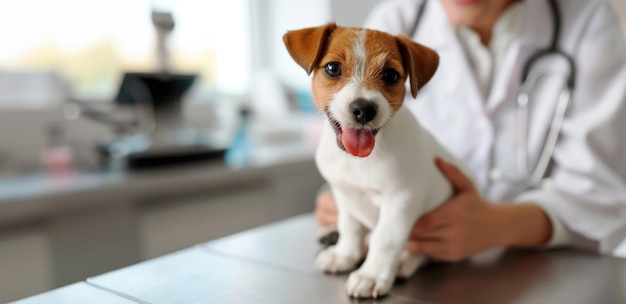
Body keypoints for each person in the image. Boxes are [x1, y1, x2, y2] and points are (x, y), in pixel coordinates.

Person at [315, 0, 626, 261]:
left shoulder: (586, 20)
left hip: (540, 263)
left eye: (390, 76)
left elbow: (600, 193)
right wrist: (348, 194)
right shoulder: (398, 16)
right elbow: (350, 125)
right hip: (419, 259)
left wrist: (500, 225)